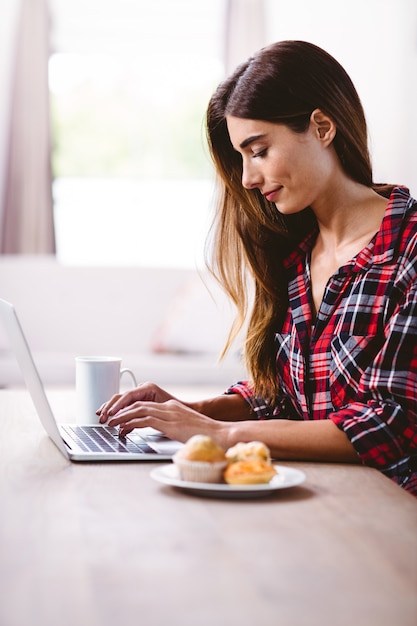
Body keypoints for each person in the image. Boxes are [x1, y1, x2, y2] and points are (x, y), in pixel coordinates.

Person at [98, 40, 417, 495]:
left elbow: (394, 425)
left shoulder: (408, 249)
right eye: (242, 157)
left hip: (385, 517)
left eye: (259, 150)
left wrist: (221, 435)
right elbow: (284, 396)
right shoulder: (294, 252)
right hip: (310, 500)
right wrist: (192, 410)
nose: (247, 178)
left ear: (322, 127)